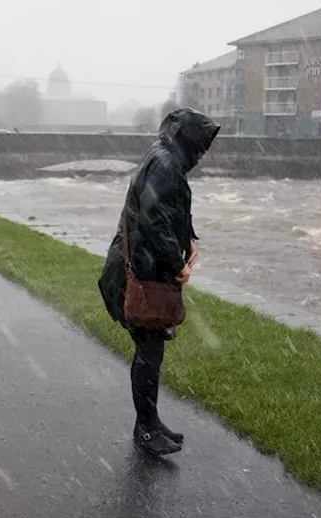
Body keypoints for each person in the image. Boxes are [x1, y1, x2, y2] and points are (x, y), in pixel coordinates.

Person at [97, 108, 219, 456]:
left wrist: (189, 238)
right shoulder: (167, 165)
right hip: (141, 274)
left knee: (150, 350)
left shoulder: (163, 157)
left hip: (139, 269)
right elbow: (154, 221)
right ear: (189, 139)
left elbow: (168, 212)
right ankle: (146, 429)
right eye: (202, 144)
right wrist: (177, 263)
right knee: (149, 352)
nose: (203, 152)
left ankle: (149, 422)